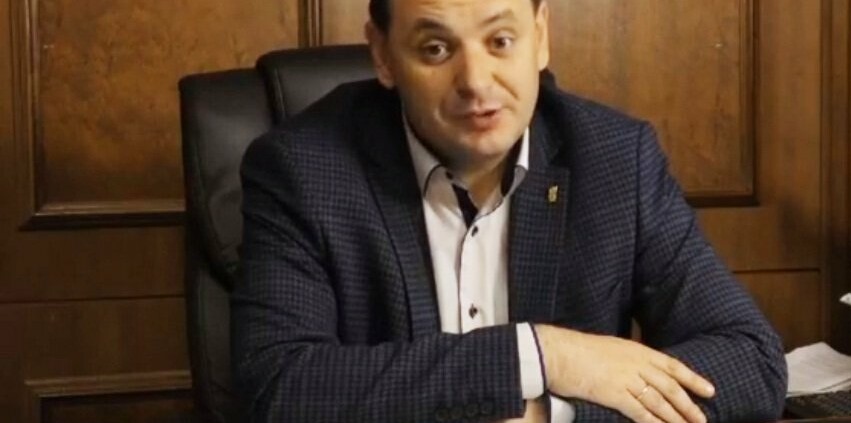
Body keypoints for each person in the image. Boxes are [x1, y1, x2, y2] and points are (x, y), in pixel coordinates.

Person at [230, 0, 788, 421]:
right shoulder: (304, 171)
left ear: (540, 37)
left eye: (500, 41)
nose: (476, 82)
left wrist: (552, 415)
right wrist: (543, 355)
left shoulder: (617, 161)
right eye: (436, 49)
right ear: (383, 55)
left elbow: (750, 360)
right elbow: (276, 386)